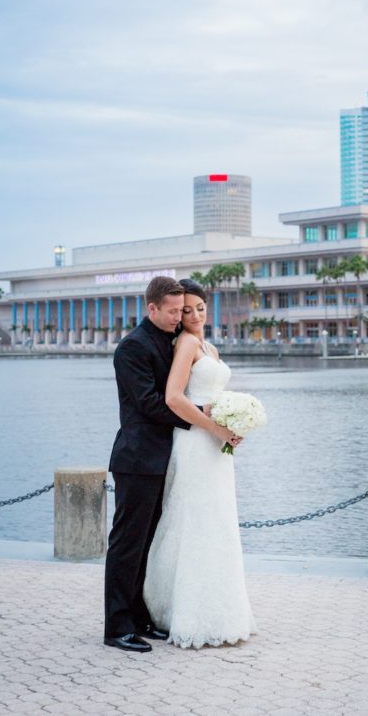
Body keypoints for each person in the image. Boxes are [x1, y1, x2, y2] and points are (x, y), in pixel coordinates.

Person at [104, 276, 240, 653]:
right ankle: (116, 627)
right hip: (137, 457)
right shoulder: (131, 348)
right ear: (152, 308)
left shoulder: (171, 340)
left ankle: (141, 618)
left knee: (150, 543)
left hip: (168, 455)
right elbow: (151, 403)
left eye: (184, 310)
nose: (180, 317)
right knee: (127, 544)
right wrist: (207, 417)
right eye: (174, 311)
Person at [143, 278, 257, 649]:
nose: (191, 315)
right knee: (194, 521)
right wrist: (215, 429)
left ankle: (221, 609)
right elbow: (175, 398)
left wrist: (233, 425)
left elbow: (214, 397)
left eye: (198, 308)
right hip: (195, 441)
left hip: (212, 442)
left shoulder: (209, 346)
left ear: (208, 308)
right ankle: (186, 613)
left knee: (217, 521)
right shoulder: (187, 343)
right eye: (184, 310)